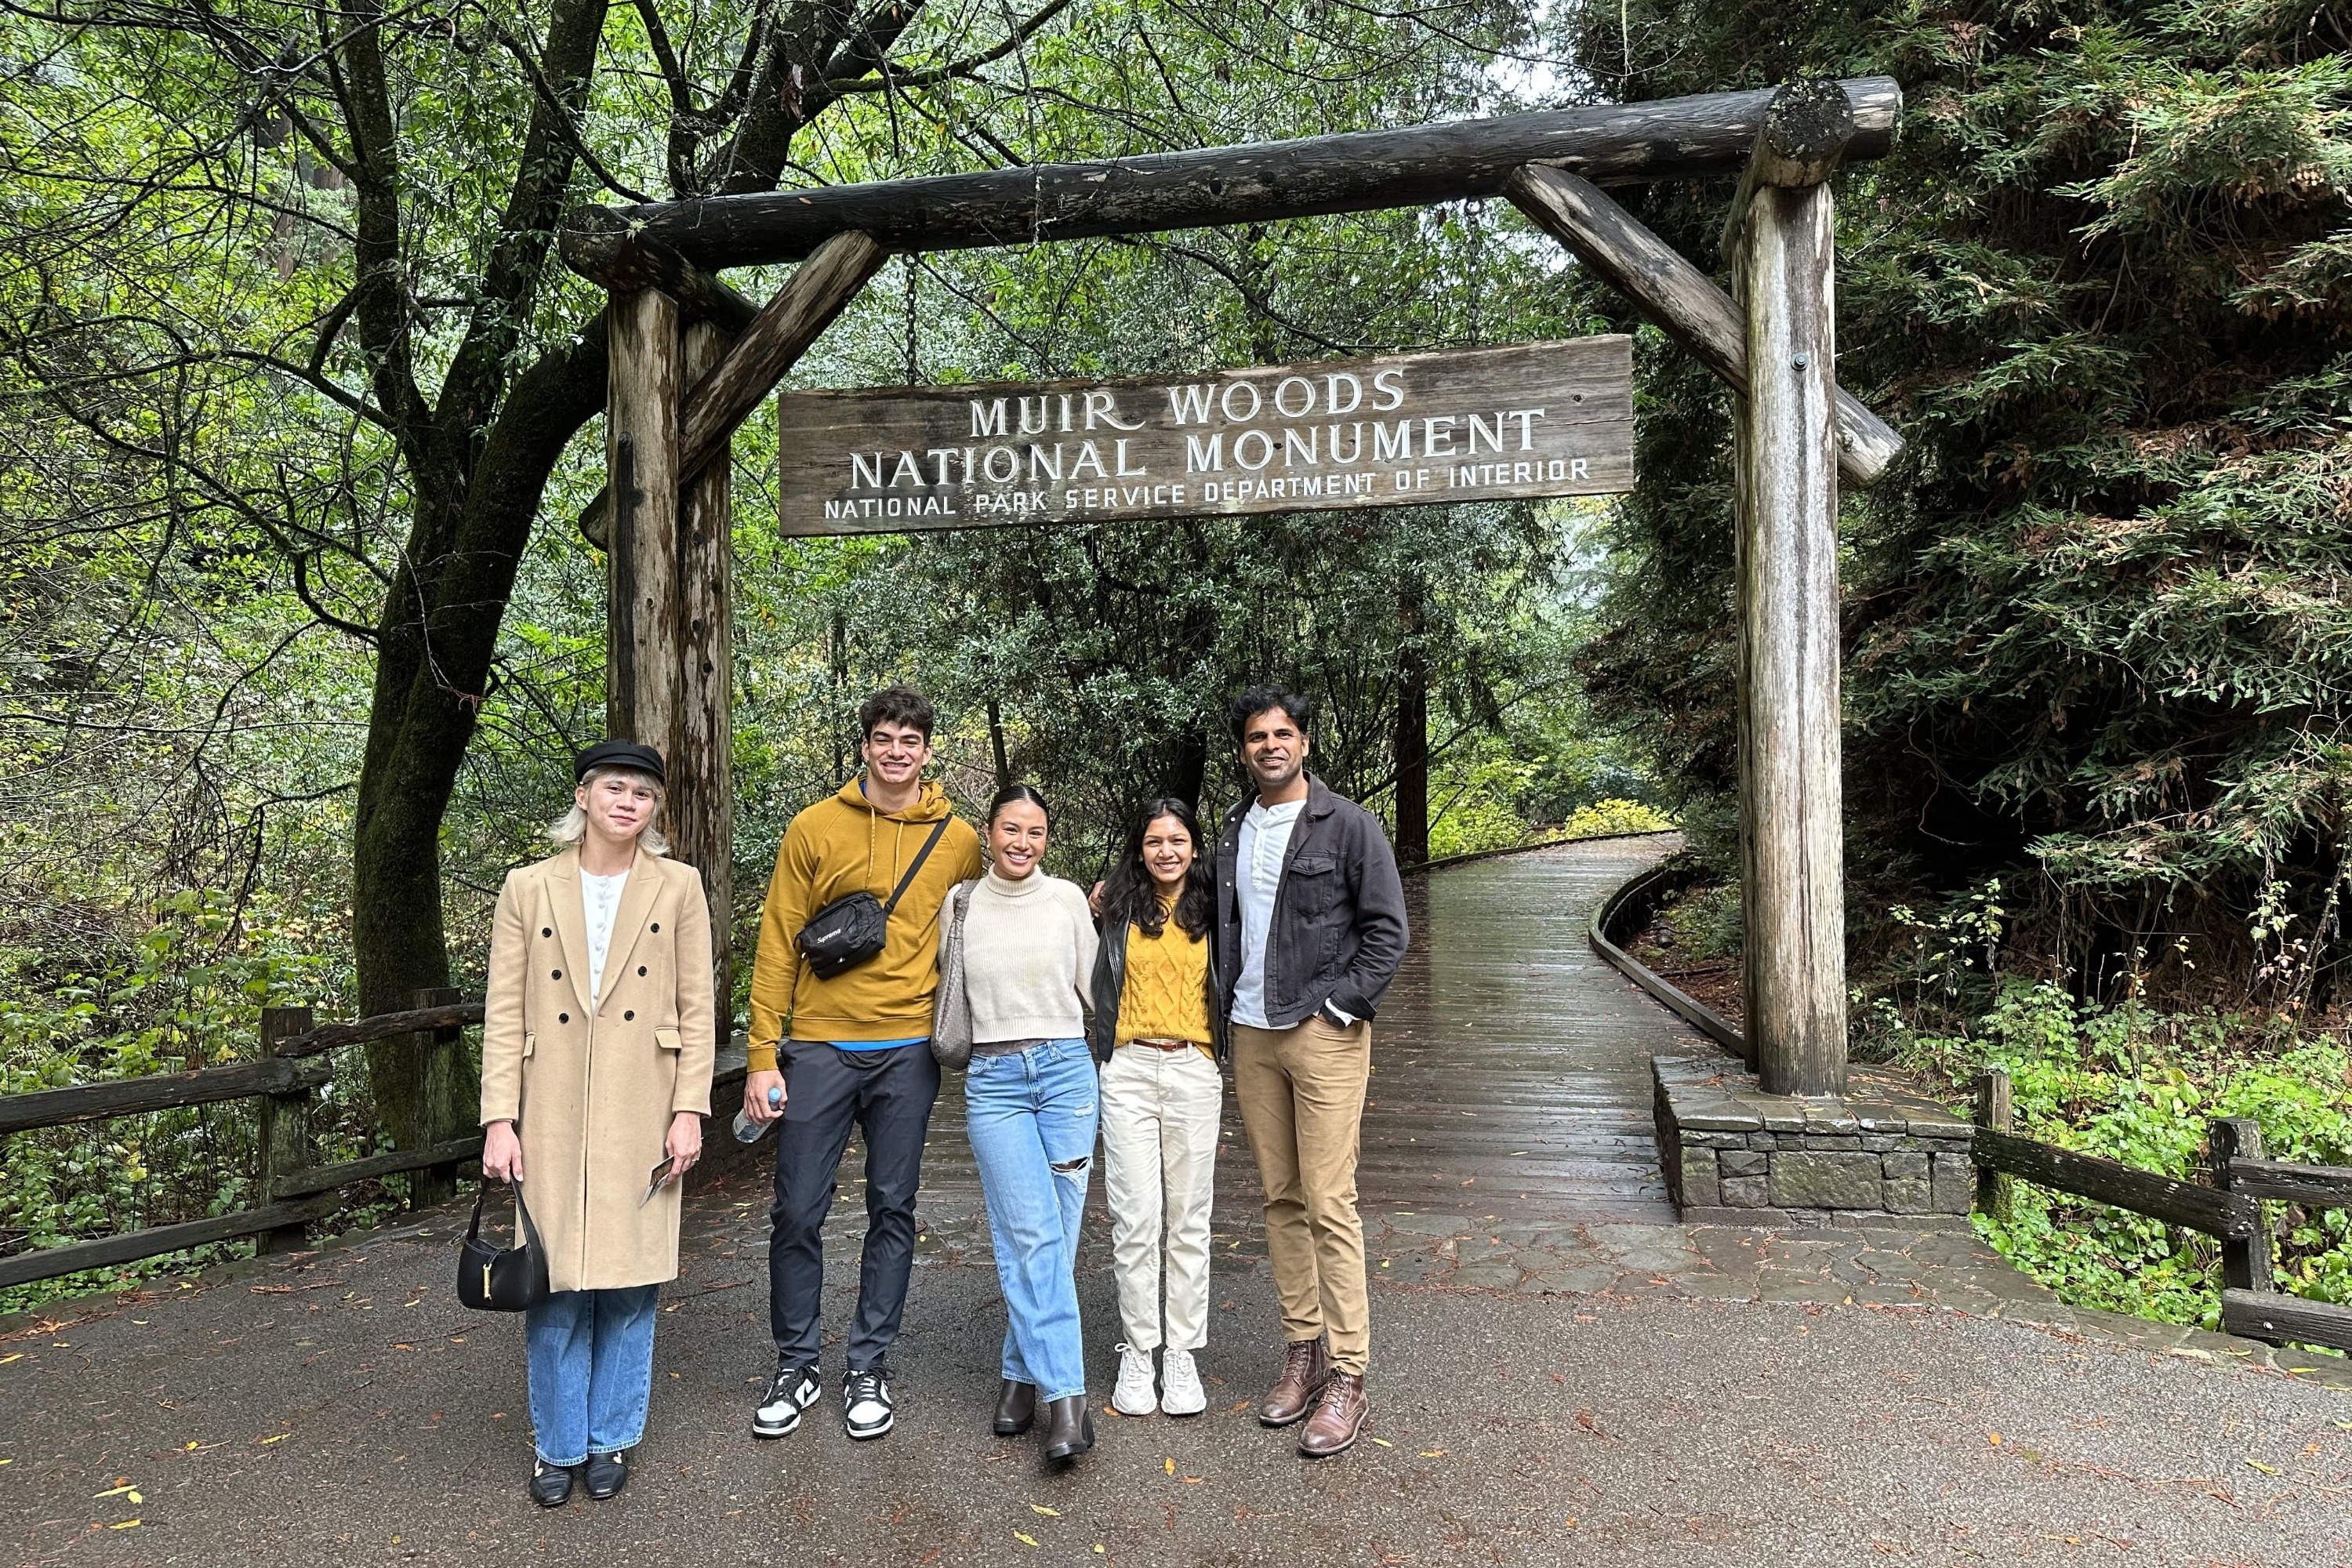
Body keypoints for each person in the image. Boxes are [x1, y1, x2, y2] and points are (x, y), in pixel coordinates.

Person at [740, 685, 983, 1443]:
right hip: (817, 1044)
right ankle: (797, 1362)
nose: (897, 752)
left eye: (910, 740)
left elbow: (991, 917)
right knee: (798, 1209)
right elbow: (779, 939)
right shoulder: (814, 827)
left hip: (908, 1048)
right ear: (867, 745)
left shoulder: (959, 839)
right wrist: (760, 1056)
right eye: (885, 738)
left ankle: (869, 1363)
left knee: (893, 1208)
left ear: (928, 749)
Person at [479, 739, 717, 1508]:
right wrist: (498, 1119)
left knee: (627, 1289)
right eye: (614, 788)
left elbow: (695, 1007)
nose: (628, 802)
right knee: (552, 1286)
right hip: (547, 1108)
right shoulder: (528, 886)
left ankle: (612, 1436)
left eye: (643, 794)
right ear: (584, 795)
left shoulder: (678, 887)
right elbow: (504, 1011)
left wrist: (689, 1109)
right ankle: (557, 1445)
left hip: (641, 1106)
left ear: (654, 811)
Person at [1216, 686, 1408, 1458]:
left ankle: (1350, 1375)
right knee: (1282, 1197)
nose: (1270, 744)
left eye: (1282, 732)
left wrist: (1341, 1005)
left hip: (1322, 1032)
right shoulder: (1232, 830)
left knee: (1331, 1200)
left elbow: (1388, 930)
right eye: (1257, 735)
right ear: (1244, 749)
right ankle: (1305, 1351)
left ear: (1304, 741)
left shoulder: (1349, 823)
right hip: (1251, 1033)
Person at [941, 784, 1102, 1461]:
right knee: (1031, 1232)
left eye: (1035, 833)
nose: (1022, 843)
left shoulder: (1066, 900)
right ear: (990, 830)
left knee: (1052, 1238)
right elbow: (946, 987)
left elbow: (1098, 989)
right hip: (994, 1082)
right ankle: (1068, 1399)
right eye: (1011, 830)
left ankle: (1018, 1375)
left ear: (1046, 839)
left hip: (1066, 1073)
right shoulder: (961, 904)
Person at [1087, 797, 1224, 1421]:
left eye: (1177, 840)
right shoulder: (1114, 906)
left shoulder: (1219, 907)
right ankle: (1139, 1349)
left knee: (1189, 1220)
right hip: (1128, 1069)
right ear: (1138, 850)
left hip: (1194, 1066)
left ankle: (1183, 1353)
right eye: (1153, 842)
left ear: (1194, 846)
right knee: (1135, 1218)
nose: (1166, 851)